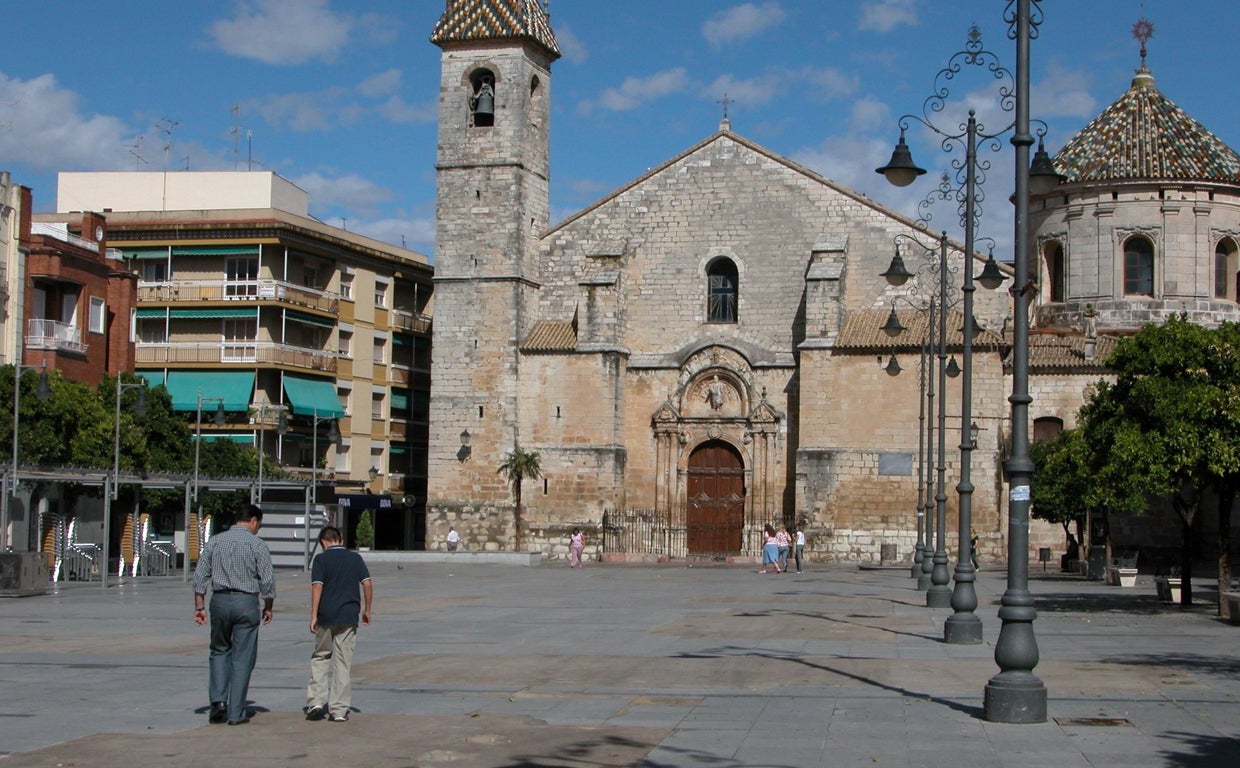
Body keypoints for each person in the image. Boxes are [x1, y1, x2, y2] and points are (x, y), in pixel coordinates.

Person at [192, 504, 275, 726]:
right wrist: (268, 605)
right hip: (246, 601)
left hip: (219, 600)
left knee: (219, 650)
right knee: (242, 657)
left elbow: (200, 575)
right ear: (254, 521)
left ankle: (218, 702)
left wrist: (199, 606)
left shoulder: (215, 541)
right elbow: (267, 579)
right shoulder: (257, 545)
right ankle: (236, 712)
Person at [305, 526, 373, 723]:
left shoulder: (321, 559)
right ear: (341, 539)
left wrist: (313, 615)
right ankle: (339, 710)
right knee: (343, 661)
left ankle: (316, 702)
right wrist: (367, 610)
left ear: (323, 543)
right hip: (348, 615)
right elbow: (367, 583)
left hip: (326, 615)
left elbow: (317, 586)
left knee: (321, 656)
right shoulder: (355, 559)